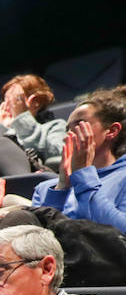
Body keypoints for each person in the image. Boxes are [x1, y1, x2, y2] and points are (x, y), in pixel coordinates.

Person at [32, 88, 126, 233]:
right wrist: (62, 187)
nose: (67, 136)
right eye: (67, 129)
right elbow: (35, 242)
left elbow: (121, 233)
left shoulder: (123, 177)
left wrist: (83, 175)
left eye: (79, 125)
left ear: (112, 131)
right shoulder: (45, 189)